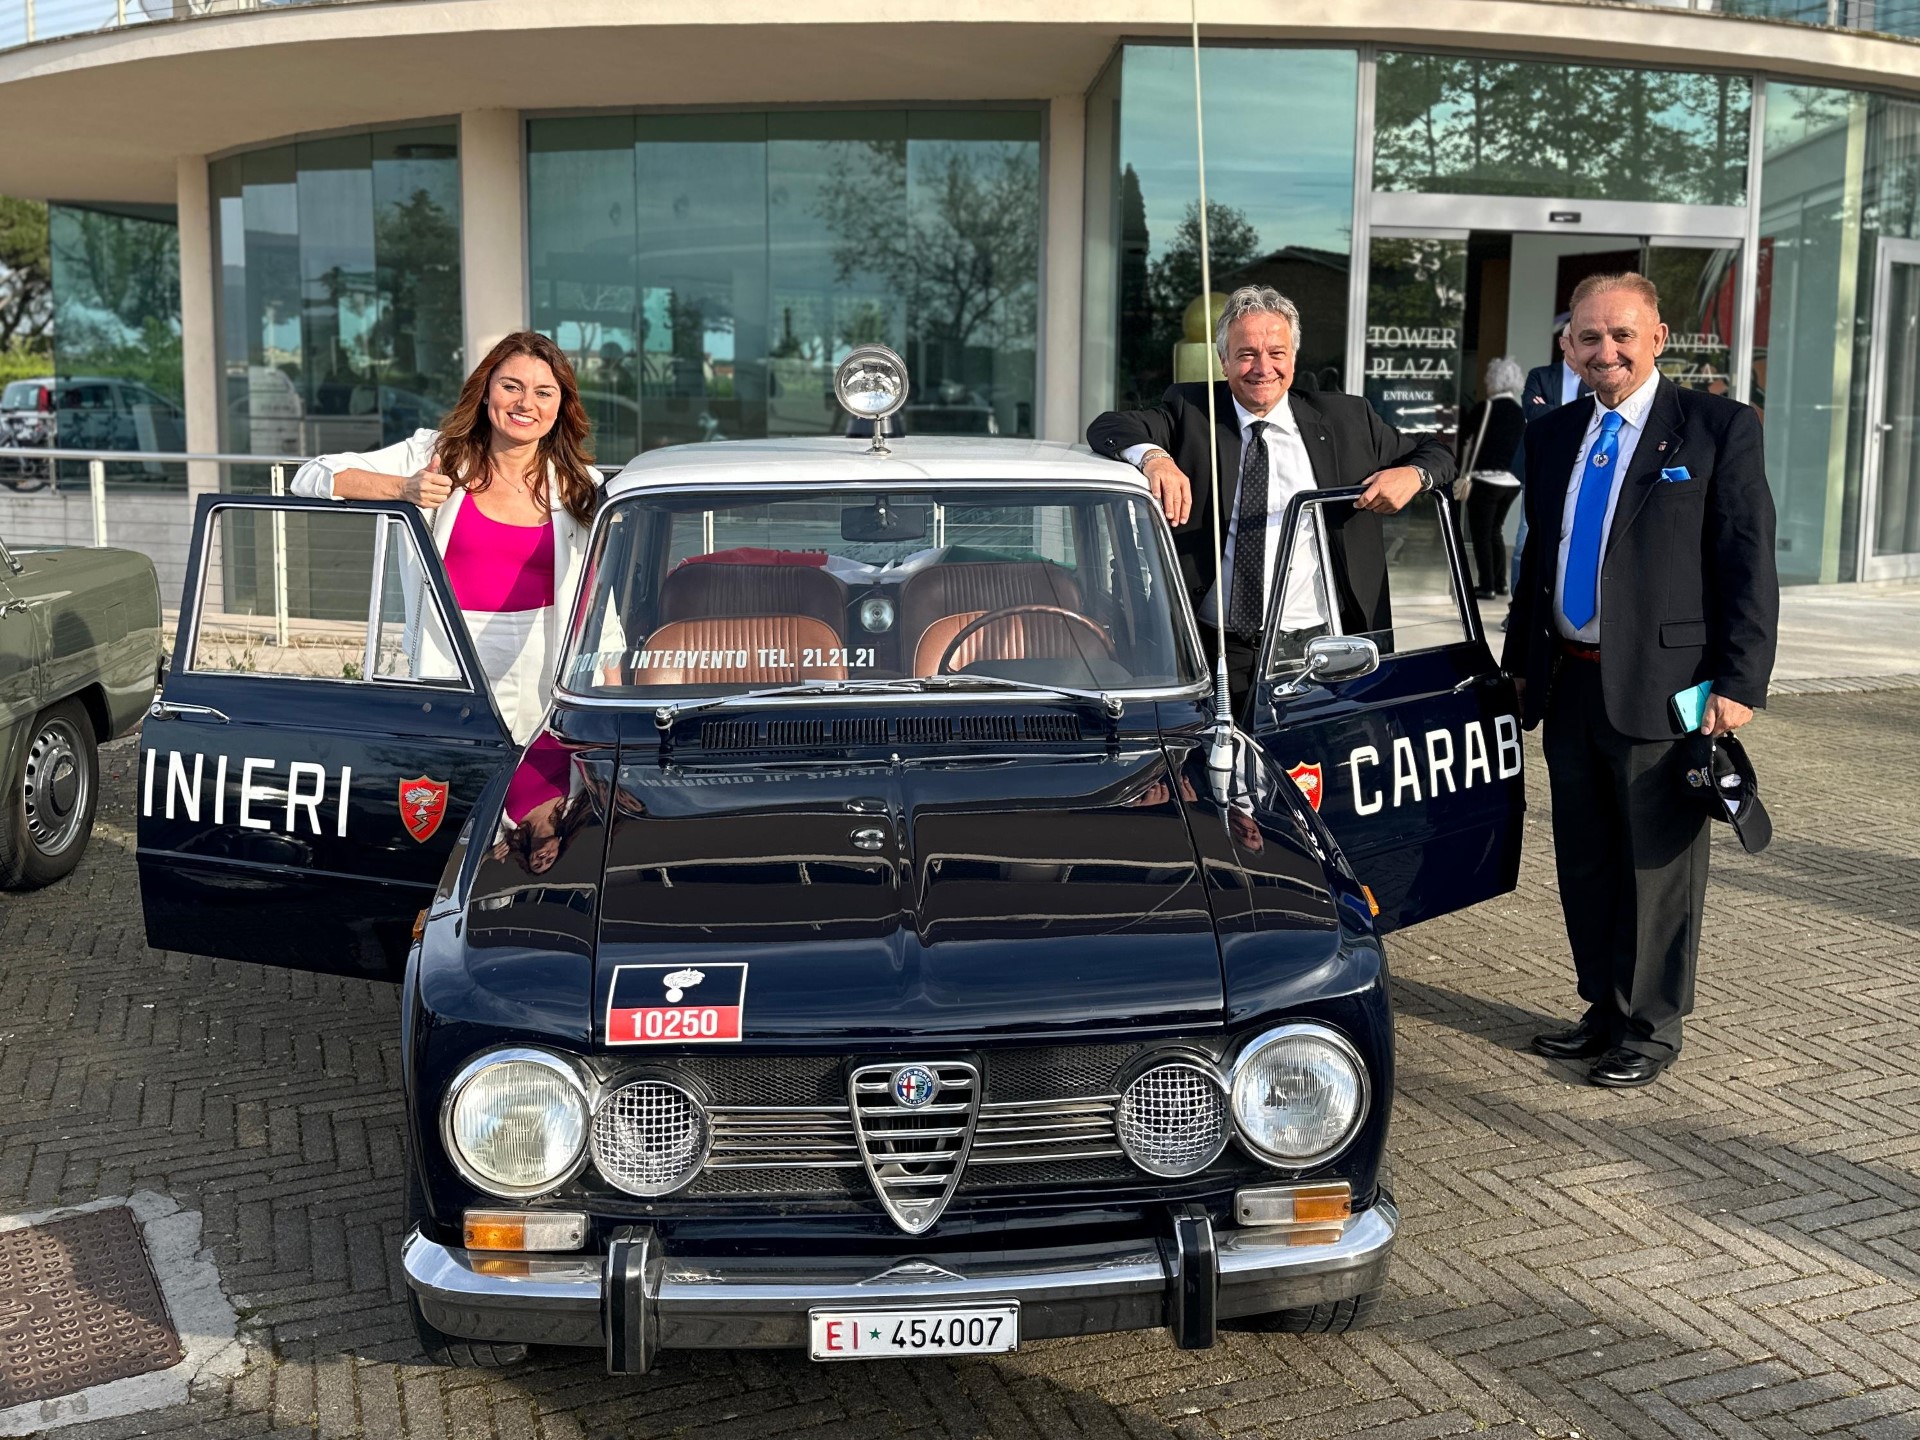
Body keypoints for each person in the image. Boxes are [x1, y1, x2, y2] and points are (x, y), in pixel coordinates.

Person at [1503, 272, 1778, 1089]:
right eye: (1589, 337)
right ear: (1568, 347)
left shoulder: (1717, 427)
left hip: (1665, 689)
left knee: (1656, 869)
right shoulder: (1553, 434)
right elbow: (1536, 561)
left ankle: (1651, 1028)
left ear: (1658, 338)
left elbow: (1747, 561)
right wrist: (1520, 669)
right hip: (1570, 683)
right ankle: (1604, 1008)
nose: (1606, 351)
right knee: (1586, 860)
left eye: (1622, 334)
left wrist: (1739, 681)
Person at [1087, 285, 1455, 712]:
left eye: (1276, 353)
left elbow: (1438, 452)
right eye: (1246, 354)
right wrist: (1155, 459)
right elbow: (1107, 426)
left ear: (1293, 357)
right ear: (1223, 361)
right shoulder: (1191, 411)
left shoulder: (1347, 419)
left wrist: (1413, 475)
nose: (1263, 368)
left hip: (1321, 647)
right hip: (1215, 647)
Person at [293, 332, 601, 744]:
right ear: (486, 391)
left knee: (537, 781)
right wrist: (404, 489)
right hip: (449, 661)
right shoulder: (434, 456)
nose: (525, 403)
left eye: (543, 392)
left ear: (561, 405)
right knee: (453, 778)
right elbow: (310, 476)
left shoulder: (581, 485)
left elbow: (601, 598)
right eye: (511, 386)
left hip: (547, 664)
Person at [1457, 357, 1527, 600]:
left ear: (1494, 381)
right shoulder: (1520, 413)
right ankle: (1500, 583)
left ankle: (1486, 586)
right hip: (1512, 483)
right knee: (1495, 530)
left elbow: (1464, 437)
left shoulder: (1484, 409)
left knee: (1481, 534)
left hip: (1485, 480)